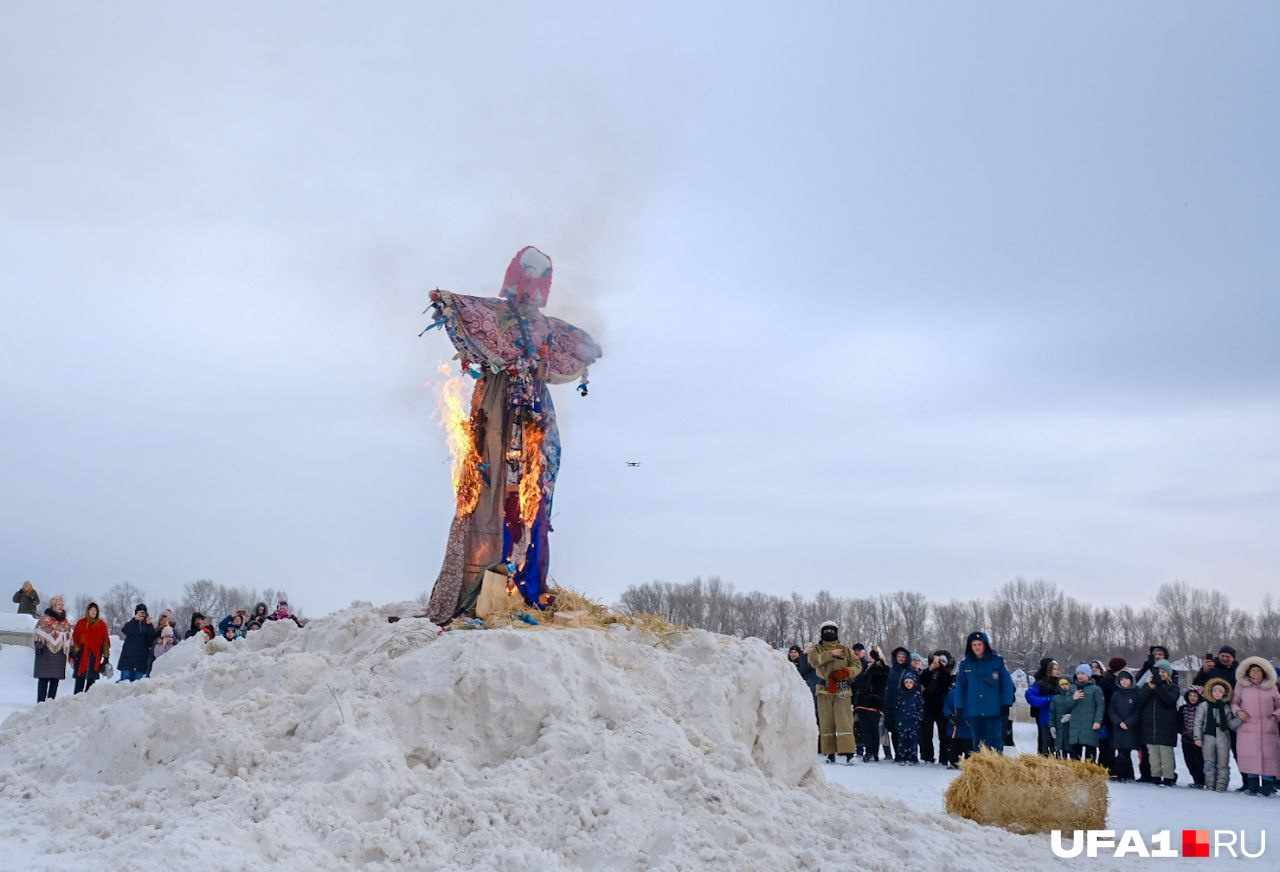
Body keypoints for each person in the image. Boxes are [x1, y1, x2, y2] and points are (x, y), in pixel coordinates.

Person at [953, 631, 1014, 753]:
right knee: (978, 744)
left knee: (995, 743)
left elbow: (1007, 684)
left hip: (994, 711)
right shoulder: (965, 665)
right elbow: (960, 688)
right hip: (974, 711)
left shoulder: (997, 662)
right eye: (974, 644)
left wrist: (1006, 704)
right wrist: (958, 707)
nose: (977, 647)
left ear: (985, 645)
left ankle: (995, 769)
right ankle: (981, 770)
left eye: (979, 644)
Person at [808, 621, 861, 763]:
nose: (829, 631)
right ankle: (829, 753)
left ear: (836, 631)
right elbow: (814, 661)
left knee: (844, 722)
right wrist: (831, 653)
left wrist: (847, 672)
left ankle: (848, 753)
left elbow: (857, 665)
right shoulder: (817, 649)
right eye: (826, 629)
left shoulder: (845, 648)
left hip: (842, 689)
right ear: (822, 632)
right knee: (826, 722)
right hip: (824, 691)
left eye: (832, 629)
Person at [1231, 656, 1280, 796]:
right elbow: (1234, 703)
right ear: (1247, 671)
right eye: (1253, 670)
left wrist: (1276, 714)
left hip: (1268, 728)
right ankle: (1252, 787)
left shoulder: (1271, 687)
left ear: (1264, 672)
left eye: (1259, 670)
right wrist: (1238, 712)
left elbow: (1279, 705)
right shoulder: (1241, 686)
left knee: (1269, 758)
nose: (1255, 673)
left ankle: (1267, 788)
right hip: (1248, 728)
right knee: (1250, 757)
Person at [1139, 659, 1181, 786]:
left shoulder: (1173, 687)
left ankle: (1169, 777)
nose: (1160, 674)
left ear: (1168, 673)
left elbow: (1169, 701)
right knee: (1153, 754)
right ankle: (1155, 776)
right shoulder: (1148, 686)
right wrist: (1149, 689)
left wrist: (1159, 687)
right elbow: (1139, 702)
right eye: (1158, 672)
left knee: (1166, 753)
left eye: (1163, 671)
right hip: (1150, 726)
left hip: (1166, 727)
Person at [1194, 678, 1234, 792]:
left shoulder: (1225, 707)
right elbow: (1198, 722)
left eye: (1220, 691)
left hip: (1223, 737)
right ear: (1211, 692)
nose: (1217, 693)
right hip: (1208, 736)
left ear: (1224, 694)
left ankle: (1221, 784)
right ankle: (1210, 783)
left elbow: (1230, 724)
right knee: (1209, 761)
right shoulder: (1204, 706)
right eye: (1215, 691)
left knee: (1223, 762)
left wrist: (1240, 719)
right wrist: (1197, 737)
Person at [33, 595, 71, 702]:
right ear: (53, 605)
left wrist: (69, 650)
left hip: (59, 655)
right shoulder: (45, 618)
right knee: (43, 680)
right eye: (58, 604)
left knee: (55, 681)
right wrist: (39, 646)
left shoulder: (65, 622)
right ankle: (40, 703)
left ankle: (50, 703)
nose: (61, 606)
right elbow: (38, 632)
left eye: (62, 605)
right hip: (46, 653)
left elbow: (68, 637)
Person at [1063, 664, 1105, 763]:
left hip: (1090, 725)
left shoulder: (1096, 689)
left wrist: (1098, 721)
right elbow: (1066, 705)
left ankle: (1090, 774)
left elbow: (1101, 706)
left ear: (1088, 674)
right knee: (1075, 754)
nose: (1080, 675)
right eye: (1078, 673)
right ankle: (1075, 775)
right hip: (1075, 727)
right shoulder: (1072, 688)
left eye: (1082, 673)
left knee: (1090, 754)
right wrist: (1073, 698)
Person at [852, 649, 888, 762]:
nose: (870, 660)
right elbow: (858, 684)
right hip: (862, 703)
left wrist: (878, 660)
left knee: (874, 730)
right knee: (866, 730)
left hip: (874, 704)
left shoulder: (881, 670)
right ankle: (868, 752)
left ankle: (874, 753)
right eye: (870, 658)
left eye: (873, 658)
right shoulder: (865, 669)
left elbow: (885, 671)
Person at [920, 649, 954, 765]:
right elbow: (922, 681)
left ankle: (944, 758)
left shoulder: (947, 674)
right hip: (928, 706)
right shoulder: (927, 672)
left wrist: (941, 668)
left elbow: (946, 684)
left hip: (942, 707)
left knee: (943, 735)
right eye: (938, 660)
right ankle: (927, 757)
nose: (940, 663)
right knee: (926, 733)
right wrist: (931, 668)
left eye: (943, 661)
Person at [1108, 671, 1143, 781]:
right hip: (1118, 727)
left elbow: (1138, 711)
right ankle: (1127, 774)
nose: (1124, 681)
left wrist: (1128, 722)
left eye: (1126, 679)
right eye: (1121, 679)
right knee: (1121, 751)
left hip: (1131, 728)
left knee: (1125, 751)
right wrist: (1118, 722)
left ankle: (1118, 773)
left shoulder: (1137, 693)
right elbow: (1111, 709)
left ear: (1131, 680)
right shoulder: (1116, 694)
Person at [71, 601, 111, 694]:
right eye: (91, 610)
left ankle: (87, 705)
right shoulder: (81, 623)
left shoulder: (102, 625)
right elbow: (74, 639)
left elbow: (105, 642)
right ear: (87, 611)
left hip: (94, 657)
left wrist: (106, 657)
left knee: (91, 683)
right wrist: (75, 653)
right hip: (81, 657)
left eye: (95, 610)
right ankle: (76, 702)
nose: (93, 612)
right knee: (79, 682)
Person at [1025, 660, 1061, 756]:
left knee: (1060, 748)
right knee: (1047, 747)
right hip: (1046, 720)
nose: (1057, 671)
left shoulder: (1062, 683)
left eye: (1058, 669)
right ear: (1049, 670)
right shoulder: (1040, 683)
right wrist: (1047, 700)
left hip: (1061, 721)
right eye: (1054, 669)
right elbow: (1029, 696)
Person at [117, 603, 158, 682]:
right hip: (127, 661)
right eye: (140, 612)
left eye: (143, 612)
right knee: (124, 685)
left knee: (137, 687)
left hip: (141, 662)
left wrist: (150, 625)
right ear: (136, 613)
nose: (142, 614)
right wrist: (134, 620)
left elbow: (152, 640)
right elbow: (125, 630)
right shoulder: (131, 623)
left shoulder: (148, 624)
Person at [883, 647, 911, 760]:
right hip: (890, 704)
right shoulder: (890, 670)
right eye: (899, 656)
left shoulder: (910, 671)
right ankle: (898, 754)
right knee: (894, 731)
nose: (901, 658)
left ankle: (906, 754)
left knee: (904, 731)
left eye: (903, 657)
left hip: (905, 705)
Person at [894, 672, 924, 765]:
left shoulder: (917, 694)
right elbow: (896, 707)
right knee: (902, 740)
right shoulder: (901, 694)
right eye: (906, 682)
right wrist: (897, 718)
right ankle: (902, 757)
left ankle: (913, 757)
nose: (908, 684)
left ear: (914, 683)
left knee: (913, 740)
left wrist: (919, 716)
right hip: (902, 721)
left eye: (910, 682)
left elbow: (921, 707)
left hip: (913, 721)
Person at [1180, 686, 1206, 789]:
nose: (1192, 698)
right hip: (1186, 739)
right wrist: (1182, 731)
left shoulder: (1203, 708)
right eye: (1190, 695)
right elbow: (1179, 722)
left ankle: (1201, 781)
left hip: (1199, 739)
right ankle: (1196, 780)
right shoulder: (1183, 708)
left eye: (1195, 696)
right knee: (1189, 761)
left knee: (1199, 761)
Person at [943, 683, 973, 769]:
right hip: (955, 727)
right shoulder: (952, 693)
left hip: (969, 727)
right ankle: (953, 762)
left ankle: (969, 763)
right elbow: (946, 706)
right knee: (954, 747)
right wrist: (949, 716)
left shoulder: (974, 693)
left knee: (969, 748)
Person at [1048, 677, 1075, 757]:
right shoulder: (1056, 698)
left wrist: (1071, 716)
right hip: (1059, 729)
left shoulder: (1075, 696)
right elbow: (1052, 713)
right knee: (1060, 753)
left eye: (1066, 684)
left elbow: (1079, 711)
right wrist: (1051, 726)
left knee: (1072, 753)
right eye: (1062, 684)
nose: (1064, 686)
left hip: (1071, 730)